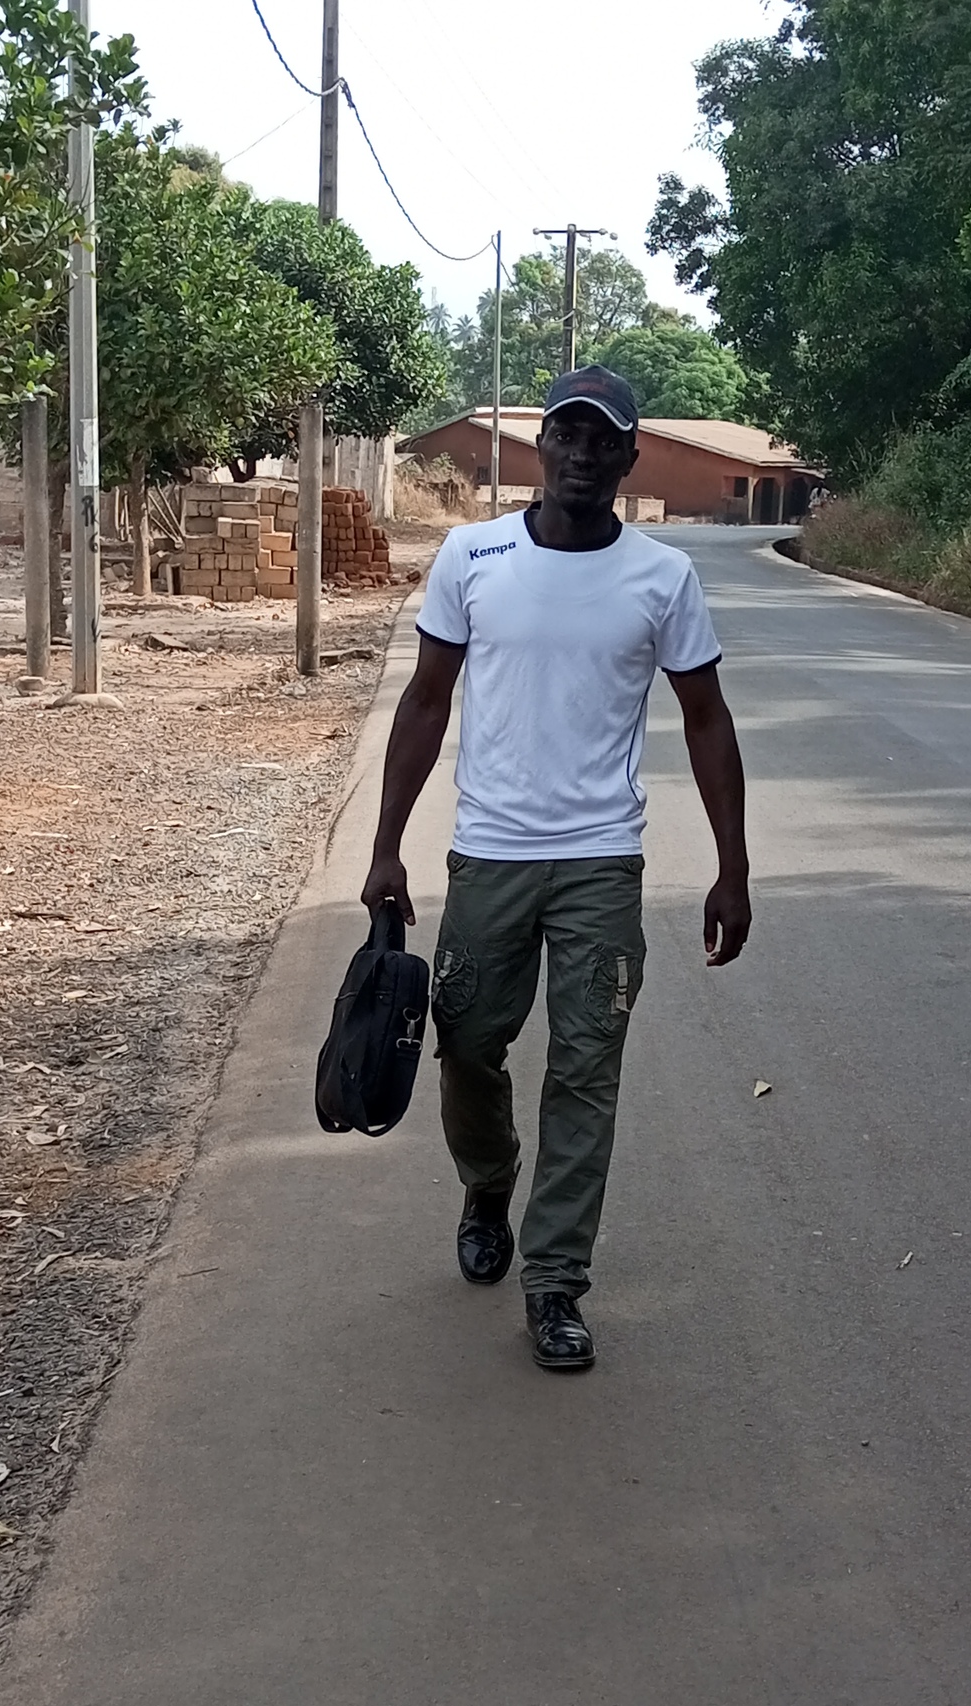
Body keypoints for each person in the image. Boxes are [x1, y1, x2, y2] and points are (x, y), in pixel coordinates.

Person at [361, 365, 751, 1371]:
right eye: (566, 436)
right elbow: (425, 701)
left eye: (602, 440)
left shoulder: (662, 577)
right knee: (467, 1044)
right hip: (490, 853)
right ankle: (489, 1181)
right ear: (542, 450)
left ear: (628, 457)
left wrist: (732, 868)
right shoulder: (472, 555)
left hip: (600, 862)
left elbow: (707, 720)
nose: (582, 454)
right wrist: (386, 844)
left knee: (586, 1069)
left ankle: (556, 1282)